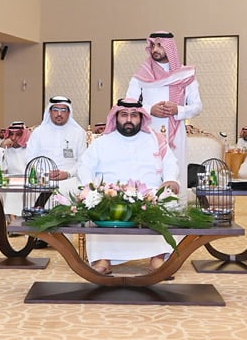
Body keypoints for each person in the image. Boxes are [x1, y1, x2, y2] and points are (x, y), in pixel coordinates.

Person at [77, 98, 180, 274]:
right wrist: (90, 187)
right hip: (111, 194)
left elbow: (170, 162)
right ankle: (103, 258)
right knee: (95, 202)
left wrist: (170, 179)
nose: (129, 120)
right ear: (116, 117)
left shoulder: (155, 139)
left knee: (169, 200)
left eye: (134, 115)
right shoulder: (102, 142)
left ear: (141, 118)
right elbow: (84, 166)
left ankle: (158, 257)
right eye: (124, 115)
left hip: (149, 194)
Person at [126, 31, 202, 196]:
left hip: (176, 135)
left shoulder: (185, 75)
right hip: (148, 133)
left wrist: (178, 110)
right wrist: (149, 110)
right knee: (149, 172)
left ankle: (177, 209)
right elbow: (129, 104)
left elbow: (197, 106)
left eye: (160, 45)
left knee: (176, 173)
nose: (155, 49)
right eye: (153, 45)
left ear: (170, 47)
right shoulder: (141, 76)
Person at [26, 95, 87, 248]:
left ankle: (62, 235)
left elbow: (83, 161)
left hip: (70, 176)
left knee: (65, 189)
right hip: (43, 176)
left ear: (69, 112)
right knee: (38, 189)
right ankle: (41, 235)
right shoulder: (39, 132)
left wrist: (68, 173)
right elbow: (30, 158)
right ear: (50, 111)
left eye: (63, 110)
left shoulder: (78, 132)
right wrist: (45, 173)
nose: (59, 114)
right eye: (56, 109)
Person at [0, 121, 31, 223]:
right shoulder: (7, 150)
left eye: (17, 135)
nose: (13, 138)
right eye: (11, 134)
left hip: (28, 181)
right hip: (11, 181)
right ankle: (13, 221)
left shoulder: (30, 150)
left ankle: (16, 222)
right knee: (6, 191)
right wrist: (2, 148)